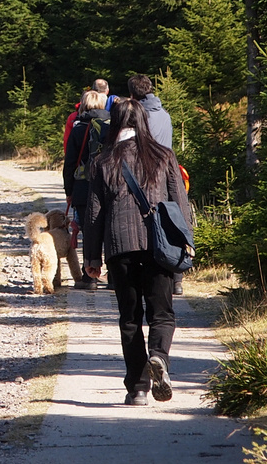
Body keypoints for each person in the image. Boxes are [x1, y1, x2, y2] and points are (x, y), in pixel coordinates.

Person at [83, 99, 194, 406]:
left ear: (115, 123)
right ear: (144, 121)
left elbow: (94, 214)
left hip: (120, 249)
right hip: (160, 247)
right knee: (162, 313)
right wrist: (188, 242)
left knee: (129, 318)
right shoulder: (164, 156)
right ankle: (158, 357)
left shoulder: (102, 161)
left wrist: (92, 258)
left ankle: (138, 388)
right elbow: (180, 202)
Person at [62, 89, 110, 289]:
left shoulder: (78, 128)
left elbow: (70, 163)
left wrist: (69, 191)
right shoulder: (112, 126)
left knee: (89, 231)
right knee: (109, 230)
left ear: (83, 105)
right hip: (109, 185)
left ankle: (89, 276)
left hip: (84, 187)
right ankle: (114, 276)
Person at [128, 75, 173, 148]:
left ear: (132, 96)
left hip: (147, 159)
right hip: (166, 158)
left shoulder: (138, 116)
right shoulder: (164, 113)